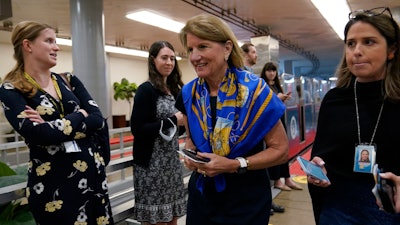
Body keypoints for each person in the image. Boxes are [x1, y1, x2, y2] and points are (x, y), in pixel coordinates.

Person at [176, 14, 289, 225]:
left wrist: (234, 164)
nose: (194, 56)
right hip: (203, 200)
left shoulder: (255, 91)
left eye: (202, 46)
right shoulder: (189, 94)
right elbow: (191, 141)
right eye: (190, 49)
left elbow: (281, 151)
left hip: (246, 202)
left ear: (227, 48)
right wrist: (191, 157)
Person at [0, 21, 113, 225]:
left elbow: (97, 118)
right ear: (28, 45)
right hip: (54, 189)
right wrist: (80, 114)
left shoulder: (68, 79)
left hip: (94, 182)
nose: (57, 47)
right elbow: (39, 135)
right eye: (49, 41)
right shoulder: (11, 90)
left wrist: (53, 126)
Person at [307, 7, 400, 224]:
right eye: (351, 43)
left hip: (390, 208)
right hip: (338, 208)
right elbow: (320, 154)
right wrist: (317, 168)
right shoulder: (334, 100)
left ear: (391, 50)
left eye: (369, 42)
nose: (356, 51)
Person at [130, 41, 187, 225]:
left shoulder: (176, 90)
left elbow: (180, 127)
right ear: (153, 60)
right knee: (157, 220)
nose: (169, 62)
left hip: (170, 162)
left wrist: (185, 122)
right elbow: (138, 129)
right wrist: (173, 120)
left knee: (173, 217)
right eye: (164, 58)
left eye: (172, 58)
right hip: (151, 165)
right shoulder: (145, 90)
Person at [260, 62, 303, 192]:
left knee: (284, 149)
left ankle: (287, 178)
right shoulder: (262, 86)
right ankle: (277, 180)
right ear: (264, 72)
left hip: (280, 119)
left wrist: (281, 99)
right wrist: (276, 98)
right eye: (269, 71)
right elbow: (262, 104)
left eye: (273, 71)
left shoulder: (277, 86)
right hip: (270, 122)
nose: (271, 73)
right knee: (274, 150)